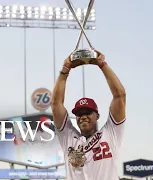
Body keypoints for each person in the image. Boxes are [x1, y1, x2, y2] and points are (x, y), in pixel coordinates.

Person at [51, 50, 126, 180]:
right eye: (79, 114)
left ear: (97, 115)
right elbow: (56, 103)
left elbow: (120, 95)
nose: (83, 116)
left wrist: (102, 64)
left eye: (88, 112)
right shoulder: (68, 137)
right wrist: (65, 70)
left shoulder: (110, 133)